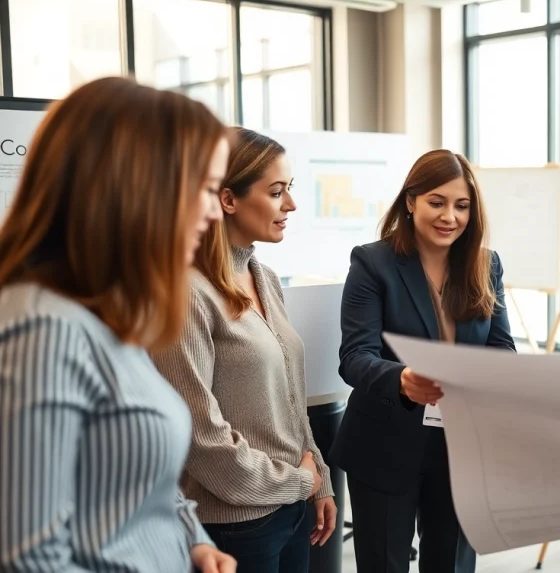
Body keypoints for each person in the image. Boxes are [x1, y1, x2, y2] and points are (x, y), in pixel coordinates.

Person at [0, 77, 236, 572]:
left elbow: (137, 482)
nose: (216, 211)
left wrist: (192, 542)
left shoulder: (108, 319)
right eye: (206, 188)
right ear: (140, 189)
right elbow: (30, 560)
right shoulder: (44, 328)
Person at [151, 128, 336, 573]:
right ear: (228, 199)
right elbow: (200, 437)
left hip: (291, 506)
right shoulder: (186, 293)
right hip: (235, 524)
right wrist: (299, 481)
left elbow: (291, 399)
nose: (291, 205)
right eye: (276, 192)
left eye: (289, 188)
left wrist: (320, 481)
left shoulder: (263, 277)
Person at [328, 149, 515, 573]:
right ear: (410, 201)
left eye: (462, 205)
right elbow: (355, 356)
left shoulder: (486, 264)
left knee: (452, 564)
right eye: (437, 202)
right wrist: (402, 379)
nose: (450, 216)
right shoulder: (372, 262)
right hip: (385, 443)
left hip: (461, 447)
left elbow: (502, 348)